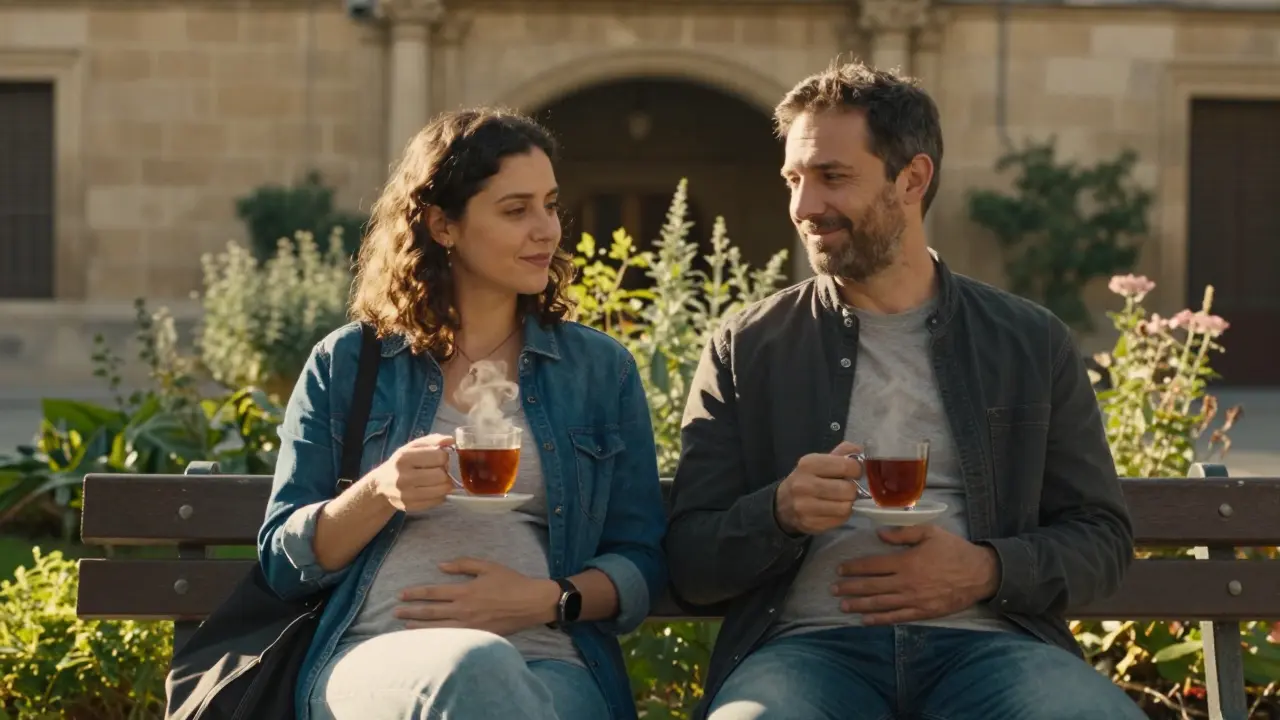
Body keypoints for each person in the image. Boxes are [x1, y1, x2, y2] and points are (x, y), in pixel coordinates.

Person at [664, 61, 1145, 720]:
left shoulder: (1029, 341)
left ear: (912, 179)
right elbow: (691, 559)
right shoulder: (747, 347)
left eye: (832, 177)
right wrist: (778, 513)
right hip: (806, 654)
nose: (805, 208)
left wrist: (986, 570)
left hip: (992, 649)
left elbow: (1101, 540)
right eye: (793, 180)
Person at [257, 108, 668, 720]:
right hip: (375, 656)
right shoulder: (349, 362)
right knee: (476, 668)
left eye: (551, 205)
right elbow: (282, 561)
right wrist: (378, 491)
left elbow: (640, 557)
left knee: (501, 681)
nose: (547, 230)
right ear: (443, 225)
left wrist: (546, 600)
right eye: (515, 210)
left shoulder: (598, 371)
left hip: (548, 656)